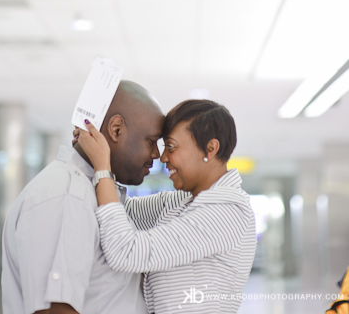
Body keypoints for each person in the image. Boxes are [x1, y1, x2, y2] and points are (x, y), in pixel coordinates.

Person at [78, 99, 257, 314]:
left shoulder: (226, 213)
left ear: (210, 149)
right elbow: (116, 211)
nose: (163, 158)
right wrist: (96, 155)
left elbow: (126, 252)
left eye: (171, 147)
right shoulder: (182, 202)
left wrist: (102, 167)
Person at [1, 80, 165, 314]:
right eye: (151, 141)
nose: (157, 154)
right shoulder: (68, 196)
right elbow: (55, 309)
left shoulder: (89, 192)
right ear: (116, 129)